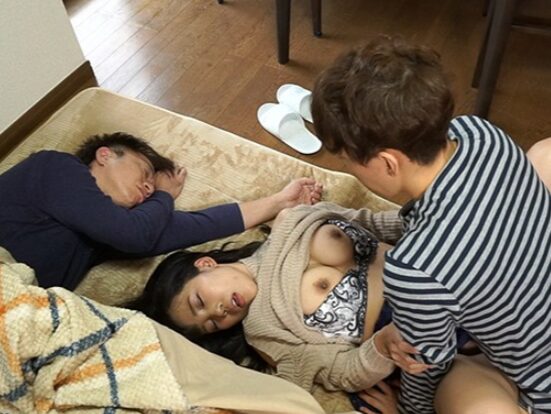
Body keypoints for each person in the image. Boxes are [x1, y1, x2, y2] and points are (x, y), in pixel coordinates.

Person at [310, 35, 551, 413]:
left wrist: (408, 410)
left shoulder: (415, 271)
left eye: (347, 160)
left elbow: (426, 364)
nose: (349, 169)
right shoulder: (481, 133)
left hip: (535, 379)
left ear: (388, 163)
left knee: (455, 383)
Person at [129, 201, 477, 413]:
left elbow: (369, 222)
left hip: (444, 266)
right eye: (210, 324)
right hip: (415, 330)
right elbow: (340, 371)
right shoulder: (263, 331)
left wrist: (426, 217)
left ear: (205, 265)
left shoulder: (292, 220)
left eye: (199, 301)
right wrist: (382, 347)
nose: (217, 313)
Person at [0, 132, 322, 290]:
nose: (147, 190)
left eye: (151, 190)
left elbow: (190, 227)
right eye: (144, 173)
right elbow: (135, 234)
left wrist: (279, 202)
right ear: (105, 155)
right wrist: (165, 195)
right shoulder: (54, 168)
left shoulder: (104, 230)